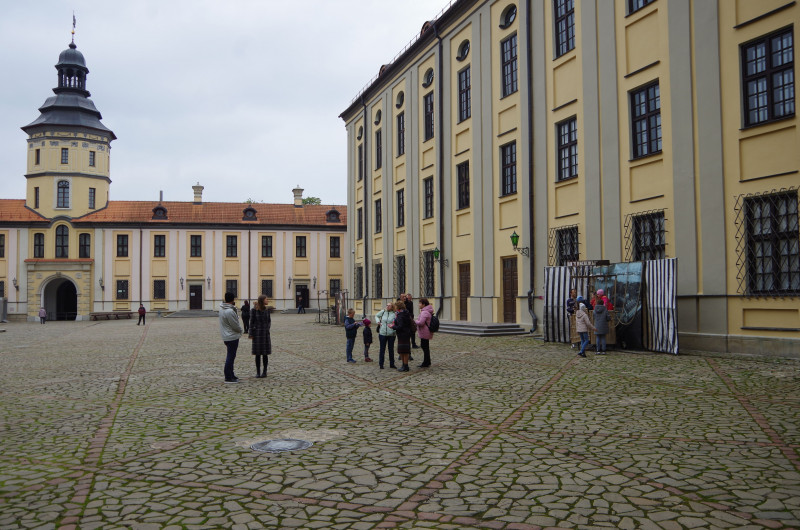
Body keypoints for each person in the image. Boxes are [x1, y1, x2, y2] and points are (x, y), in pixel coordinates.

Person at [219, 292, 243, 383]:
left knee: (231, 356)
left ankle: (231, 374)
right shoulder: (229, 311)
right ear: (233, 299)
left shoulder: (222, 309)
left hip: (226, 336)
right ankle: (228, 377)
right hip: (232, 336)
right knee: (230, 357)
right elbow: (235, 325)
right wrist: (240, 330)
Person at [248, 295, 272, 377]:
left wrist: (267, 329)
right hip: (257, 334)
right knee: (257, 354)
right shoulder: (254, 310)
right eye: (266, 299)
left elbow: (269, 321)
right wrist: (251, 333)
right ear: (262, 300)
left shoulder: (267, 310)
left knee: (265, 354)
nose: (267, 300)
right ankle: (258, 372)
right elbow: (251, 322)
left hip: (265, 334)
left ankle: (264, 371)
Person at [392, 300, 413, 372]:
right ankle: (404, 365)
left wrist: (393, 327)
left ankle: (405, 366)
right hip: (406, 333)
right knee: (404, 350)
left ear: (398, 307)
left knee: (403, 351)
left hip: (402, 334)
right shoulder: (406, 313)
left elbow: (400, 326)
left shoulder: (401, 315)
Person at [375, 303, 397, 369]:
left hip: (391, 334)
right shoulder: (383, 312)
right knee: (382, 349)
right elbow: (376, 316)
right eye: (387, 305)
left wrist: (394, 326)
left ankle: (392, 364)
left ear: (392, 307)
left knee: (391, 349)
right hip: (382, 333)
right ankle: (381, 364)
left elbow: (397, 321)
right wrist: (378, 322)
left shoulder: (394, 314)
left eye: (389, 305)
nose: (387, 306)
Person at [414, 298, 434, 367]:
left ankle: (426, 362)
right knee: (425, 347)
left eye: (420, 303)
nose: (419, 305)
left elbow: (421, 323)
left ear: (424, 304)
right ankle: (427, 361)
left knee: (424, 347)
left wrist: (415, 321)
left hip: (424, 332)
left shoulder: (424, 312)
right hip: (426, 331)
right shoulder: (427, 311)